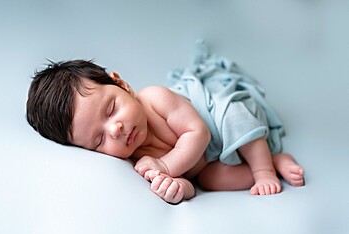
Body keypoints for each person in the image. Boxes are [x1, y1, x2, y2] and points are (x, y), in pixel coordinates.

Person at [27, 56, 304, 204]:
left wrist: (164, 164)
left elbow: (198, 133)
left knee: (234, 117)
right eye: (99, 140)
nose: (115, 130)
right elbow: (190, 184)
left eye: (111, 110)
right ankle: (275, 162)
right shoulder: (133, 158)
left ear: (122, 85)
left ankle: (263, 168)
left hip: (216, 123)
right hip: (207, 161)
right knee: (208, 181)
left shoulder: (155, 98)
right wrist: (175, 188)